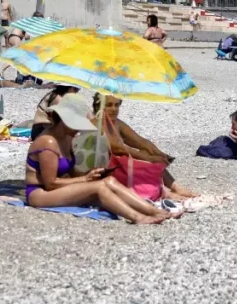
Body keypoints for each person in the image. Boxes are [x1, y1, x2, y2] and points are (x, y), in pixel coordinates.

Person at [24, 94, 178, 224]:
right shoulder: (48, 142)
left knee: (109, 181)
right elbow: (50, 183)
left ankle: (152, 210)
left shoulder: (66, 138)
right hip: (40, 194)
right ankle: (138, 217)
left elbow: (70, 173)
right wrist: (85, 180)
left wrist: (91, 174)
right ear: (65, 121)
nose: (78, 129)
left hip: (58, 188)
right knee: (99, 188)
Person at [93, 94, 200, 200]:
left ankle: (175, 187)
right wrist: (149, 158)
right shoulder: (96, 122)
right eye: (109, 105)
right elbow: (116, 148)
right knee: (146, 159)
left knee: (148, 153)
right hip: (104, 169)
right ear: (99, 106)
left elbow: (140, 141)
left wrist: (160, 154)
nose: (114, 109)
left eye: (117, 105)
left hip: (118, 164)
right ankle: (164, 192)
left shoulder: (116, 123)